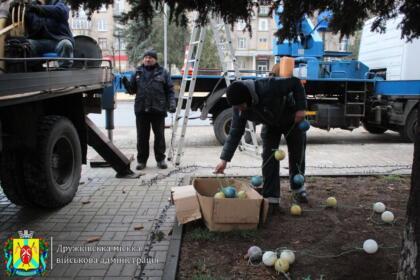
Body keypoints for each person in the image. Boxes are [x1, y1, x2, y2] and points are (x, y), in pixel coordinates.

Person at [214, 67, 308, 214]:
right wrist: (224, 160)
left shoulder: (269, 86)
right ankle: (271, 198)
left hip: (291, 118)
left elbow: (296, 83)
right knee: (269, 158)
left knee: (297, 153)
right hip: (271, 124)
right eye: (236, 108)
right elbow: (235, 132)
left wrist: (301, 109)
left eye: (241, 106)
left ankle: (298, 189)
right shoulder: (239, 107)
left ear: (248, 98)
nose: (239, 110)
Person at [122, 50, 176, 170]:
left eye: (150, 57)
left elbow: (170, 91)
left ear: (155, 59)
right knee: (142, 137)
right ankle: (141, 161)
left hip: (158, 110)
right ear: (143, 59)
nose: (148, 59)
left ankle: (160, 160)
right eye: (146, 57)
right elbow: (132, 91)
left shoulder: (163, 72)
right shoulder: (137, 72)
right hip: (141, 110)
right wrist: (126, 83)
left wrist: (172, 104)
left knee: (160, 137)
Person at [24, 0, 74, 68]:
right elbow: (18, 17)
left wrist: (37, 8)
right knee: (24, 46)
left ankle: (64, 72)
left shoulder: (59, 2)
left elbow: (62, 12)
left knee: (66, 44)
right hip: (38, 43)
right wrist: (15, 8)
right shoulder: (29, 6)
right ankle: (33, 71)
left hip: (58, 41)